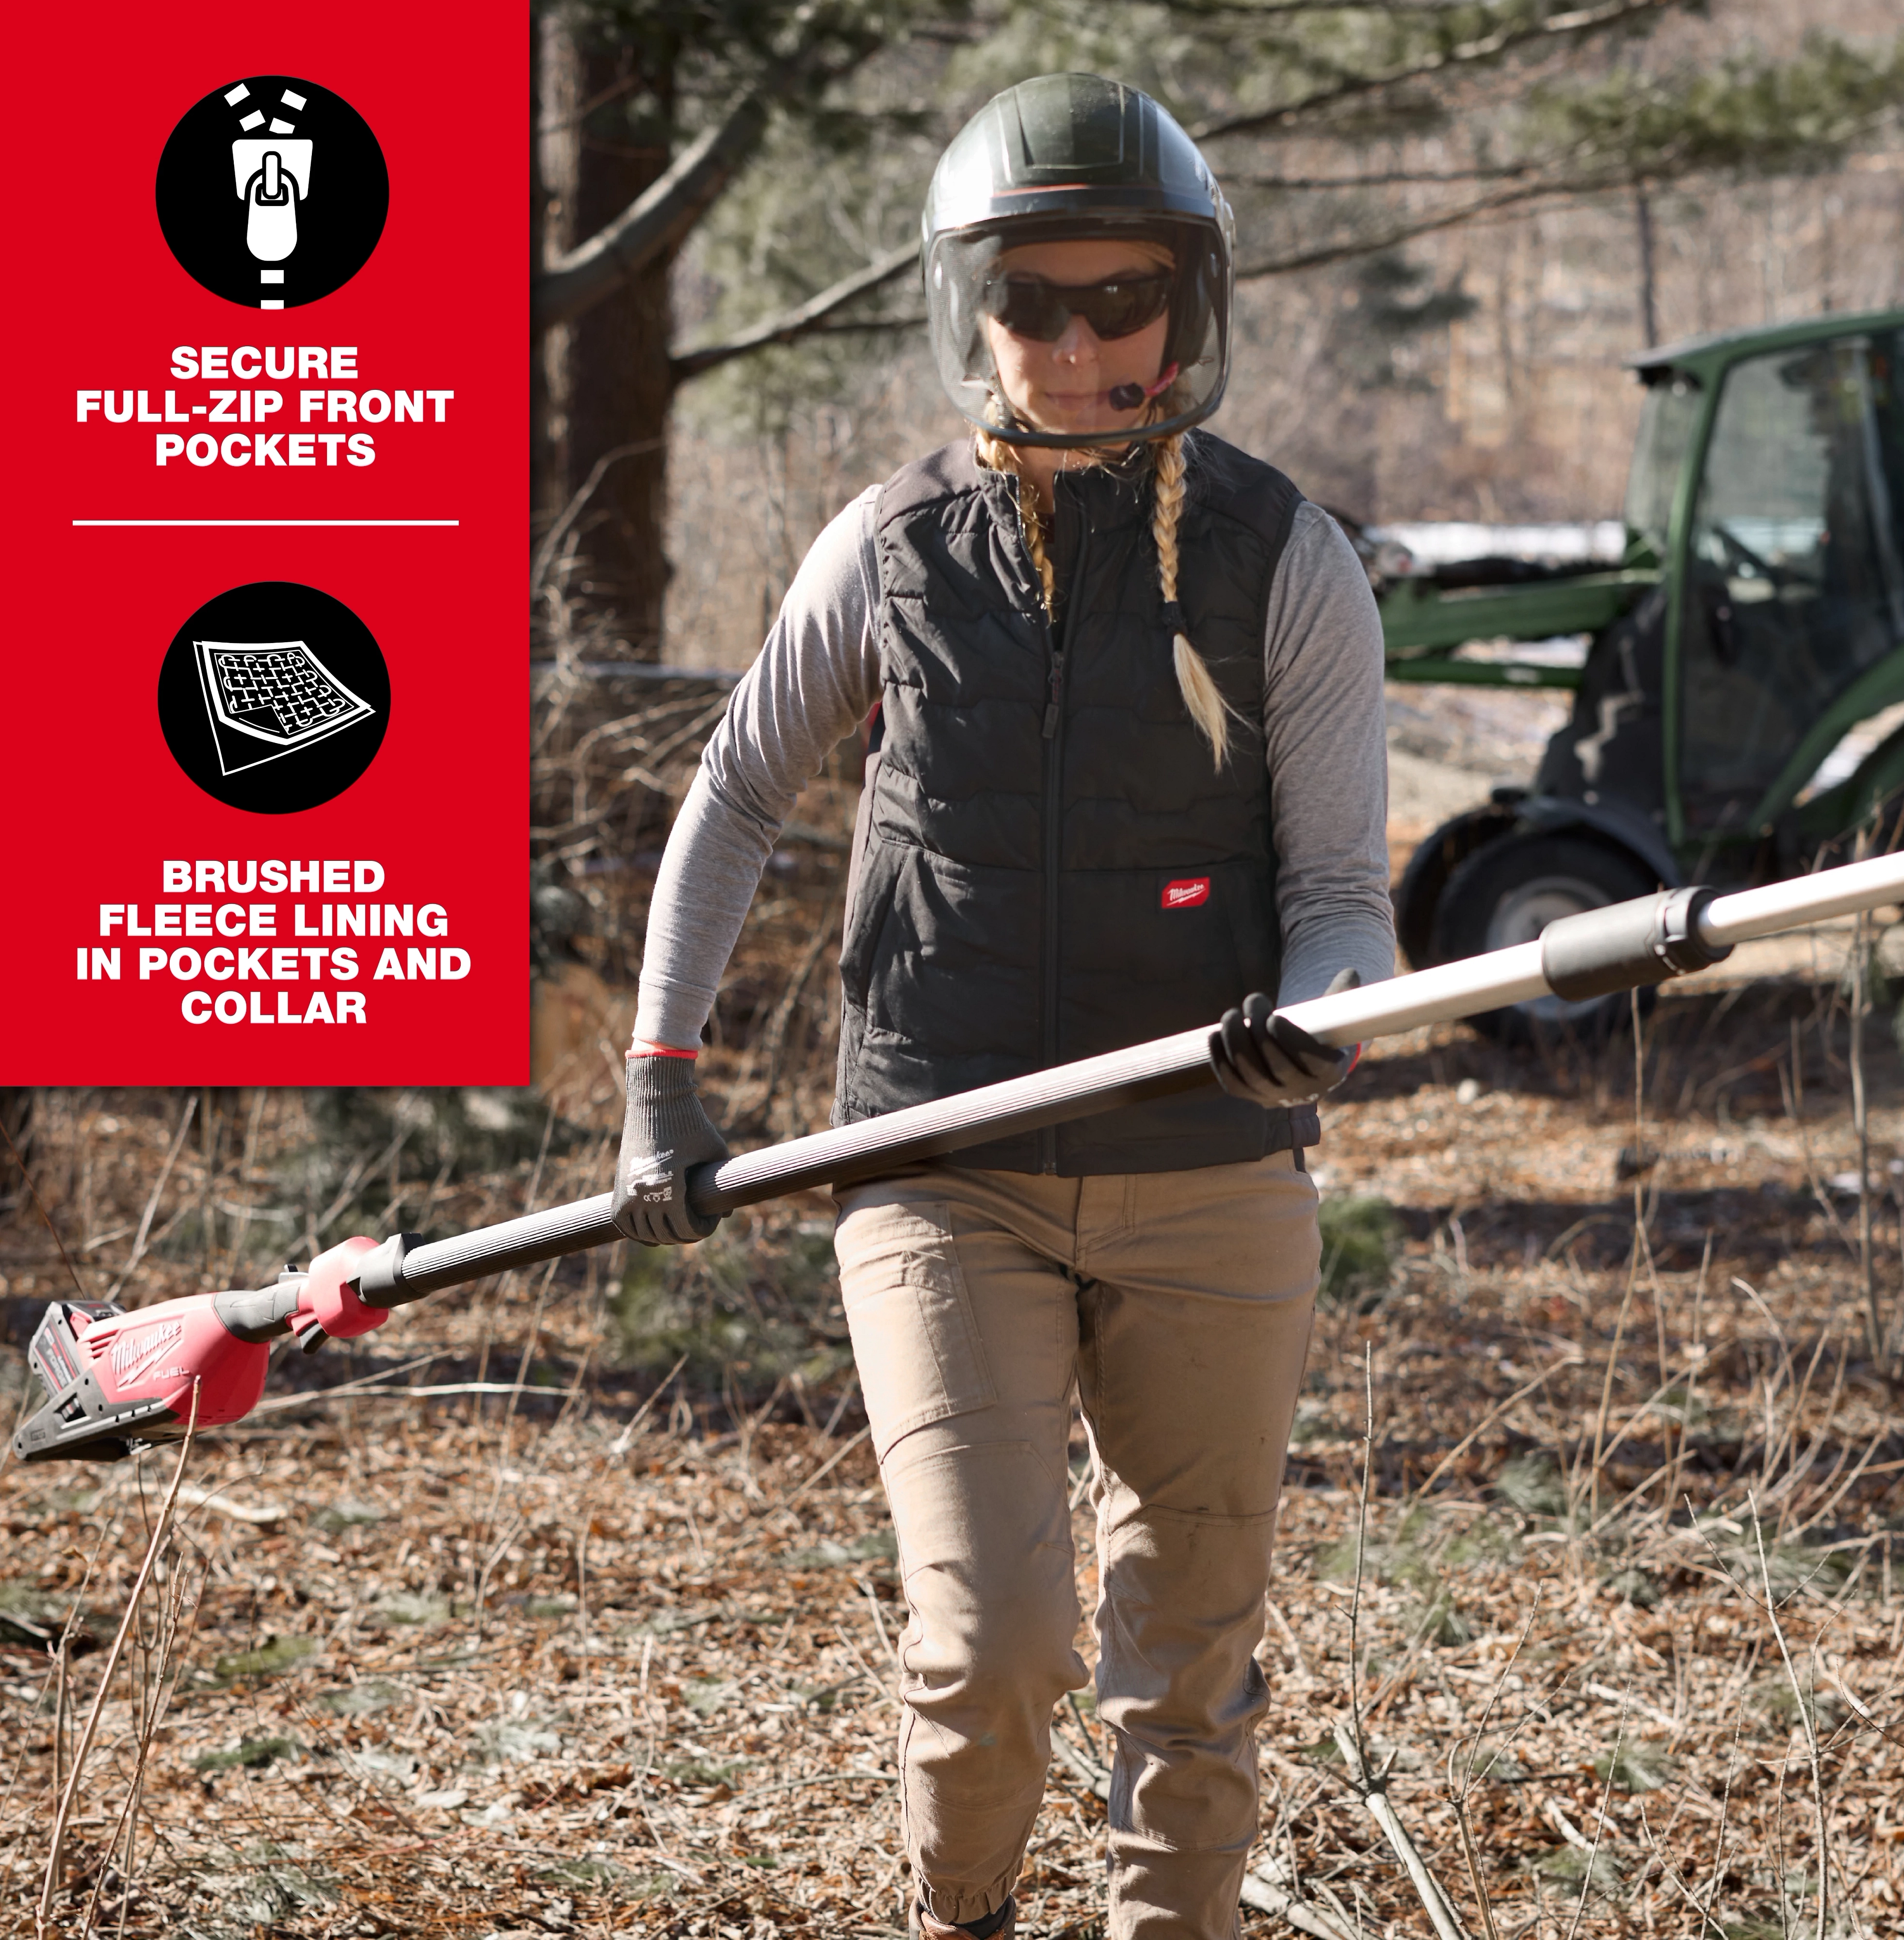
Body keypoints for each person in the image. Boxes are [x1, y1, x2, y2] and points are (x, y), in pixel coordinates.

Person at [613, 71, 1393, 1940]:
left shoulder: (1288, 560)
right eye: (1029, 301)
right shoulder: (889, 550)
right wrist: (662, 1083)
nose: (1073, 339)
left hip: (1211, 1176)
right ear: (970, 310)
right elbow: (732, 795)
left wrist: (1321, 1020)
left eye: (1118, 298)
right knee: (991, 1646)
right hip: (938, 1164)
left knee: (1186, 1673)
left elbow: (1347, 903)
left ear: (1186, 308)